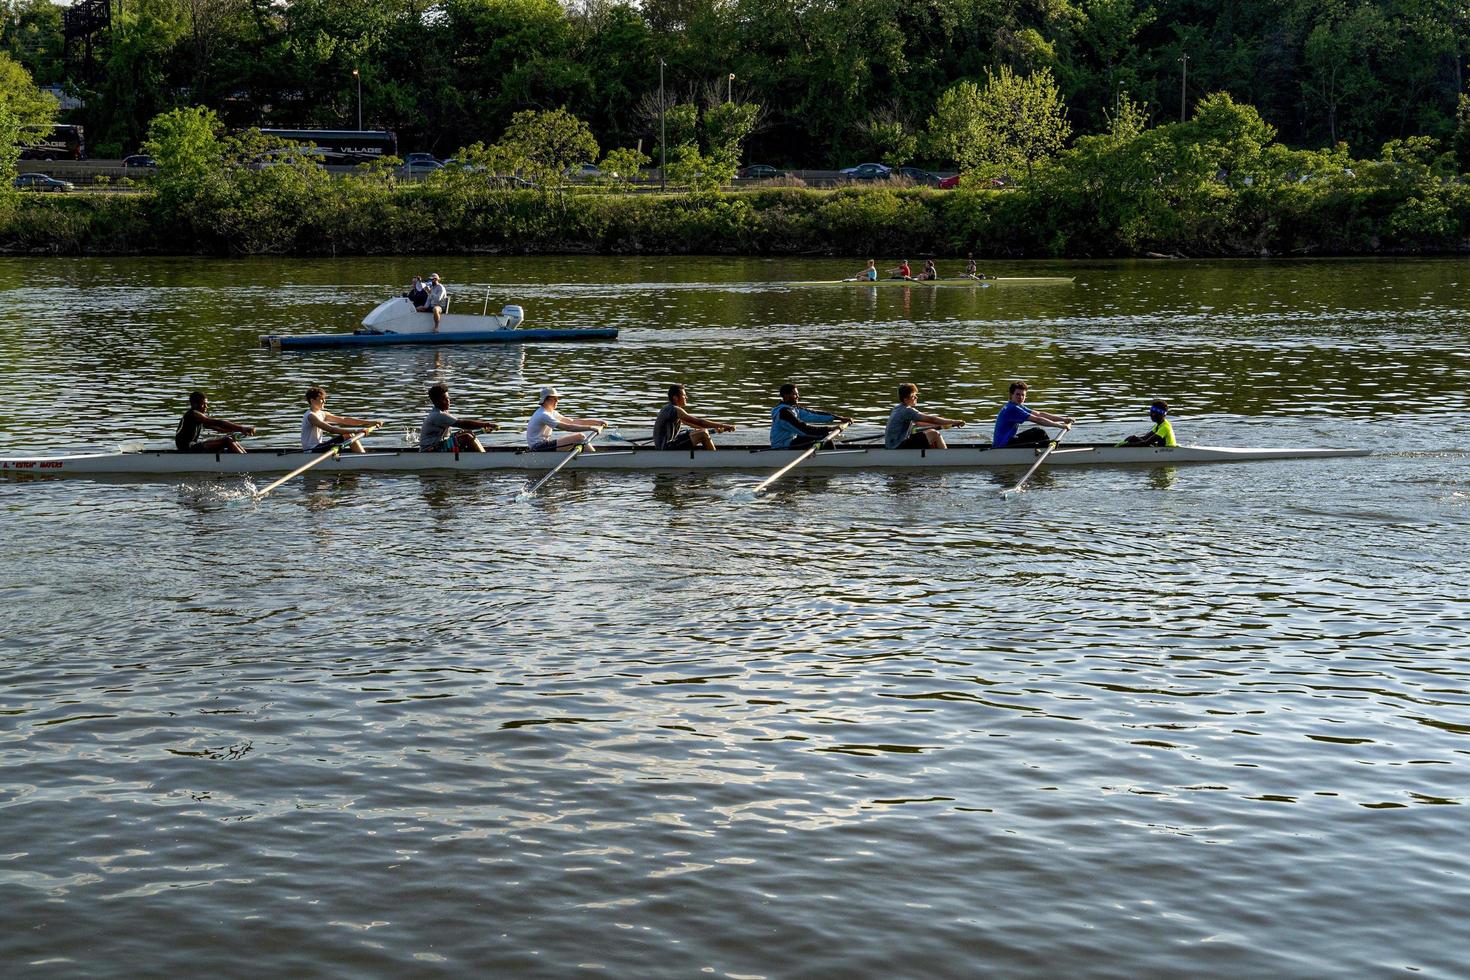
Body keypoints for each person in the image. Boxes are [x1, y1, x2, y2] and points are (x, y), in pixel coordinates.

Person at [653, 384, 737, 451]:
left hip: (666, 445)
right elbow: (699, 422)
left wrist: (718, 429)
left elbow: (696, 425)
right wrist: (724, 425)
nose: (686, 397)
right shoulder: (674, 410)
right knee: (703, 434)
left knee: (702, 431)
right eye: (684, 395)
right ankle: (715, 459)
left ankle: (710, 455)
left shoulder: (668, 408)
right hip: (666, 448)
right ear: (675, 398)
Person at [419, 382, 498, 453]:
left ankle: (478, 455)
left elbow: (461, 429)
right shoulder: (438, 415)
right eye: (445, 399)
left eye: (448, 398)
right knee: (466, 437)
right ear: (436, 402)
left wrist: (482, 430)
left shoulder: (443, 412)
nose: (448, 401)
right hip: (430, 450)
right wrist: (486, 424)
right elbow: (463, 424)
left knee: (467, 433)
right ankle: (483, 457)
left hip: (438, 444)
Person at [769, 382, 852, 449]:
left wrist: (839, 418)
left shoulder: (794, 408)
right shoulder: (784, 413)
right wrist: (831, 428)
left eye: (797, 394)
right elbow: (804, 429)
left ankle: (834, 452)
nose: (798, 396)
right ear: (786, 396)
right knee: (823, 435)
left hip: (791, 442)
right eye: (795, 394)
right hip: (781, 447)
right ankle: (834, 458)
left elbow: (815, 415)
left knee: (822, 435)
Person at [993, 380, 1073, 449]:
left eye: (1023, 395)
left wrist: (1064, 419)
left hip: (1005, 442)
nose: (1020, 397)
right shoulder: (1012, 409)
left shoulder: (1016, 406)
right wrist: (1061, 426)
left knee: (1037, 433)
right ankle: (1047, 450)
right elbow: (1038, 420)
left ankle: (1045, 447)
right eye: (1018, 394)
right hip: (1003, 446)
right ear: (1011, 395)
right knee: (1038, 433)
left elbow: (1039, 414)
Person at [300, 386, 382, 453]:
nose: (324, 401)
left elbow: (344, 420)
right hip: (311, 450)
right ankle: (362, 458)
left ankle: (361, 455)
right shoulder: (311, 416)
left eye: (324, 398)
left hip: (319, 446)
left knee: (348, 435)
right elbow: (331, 429)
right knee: (349, 435)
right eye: (321, 399)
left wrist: (369, 423)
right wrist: (357, 431)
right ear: (312, 400)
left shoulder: (322, 413)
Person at [525, 386, 607, 452]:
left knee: (579, 438)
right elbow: (568, 427)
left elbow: (572, 421)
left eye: (558, 398)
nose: (557, 401)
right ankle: (595, 458)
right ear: (546, 400)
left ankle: (591, 456)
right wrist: (590, 428)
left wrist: (597, 422)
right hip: (537, 448)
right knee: (580, 437)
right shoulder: (543, 415)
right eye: (555, 399)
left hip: (544, 444)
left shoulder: (551, 412)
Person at [885, 383, 964, 449]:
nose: (916, 397)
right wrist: (955, 421)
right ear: (906, 399)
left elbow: (919, 423)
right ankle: (946, 457)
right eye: (913, 396)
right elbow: (931, 419)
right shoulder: (907, 410)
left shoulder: (898, 407)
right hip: (897, 446)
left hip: (892, 444)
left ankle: (935, 453)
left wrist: (940, 424)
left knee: (930, 432)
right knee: (934, 434)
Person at [175, 391, 255, 454]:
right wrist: (241, 428)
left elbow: (220, 429)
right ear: (195, 404)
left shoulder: (198, 419)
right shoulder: (194, 414)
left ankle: (246, 458)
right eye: (204, 404)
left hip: (193, 447)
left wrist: (239, 431)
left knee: (231, 439)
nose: (206, 407)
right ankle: (246, 461)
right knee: (227, 440)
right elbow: (218, 422)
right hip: (187, 449)